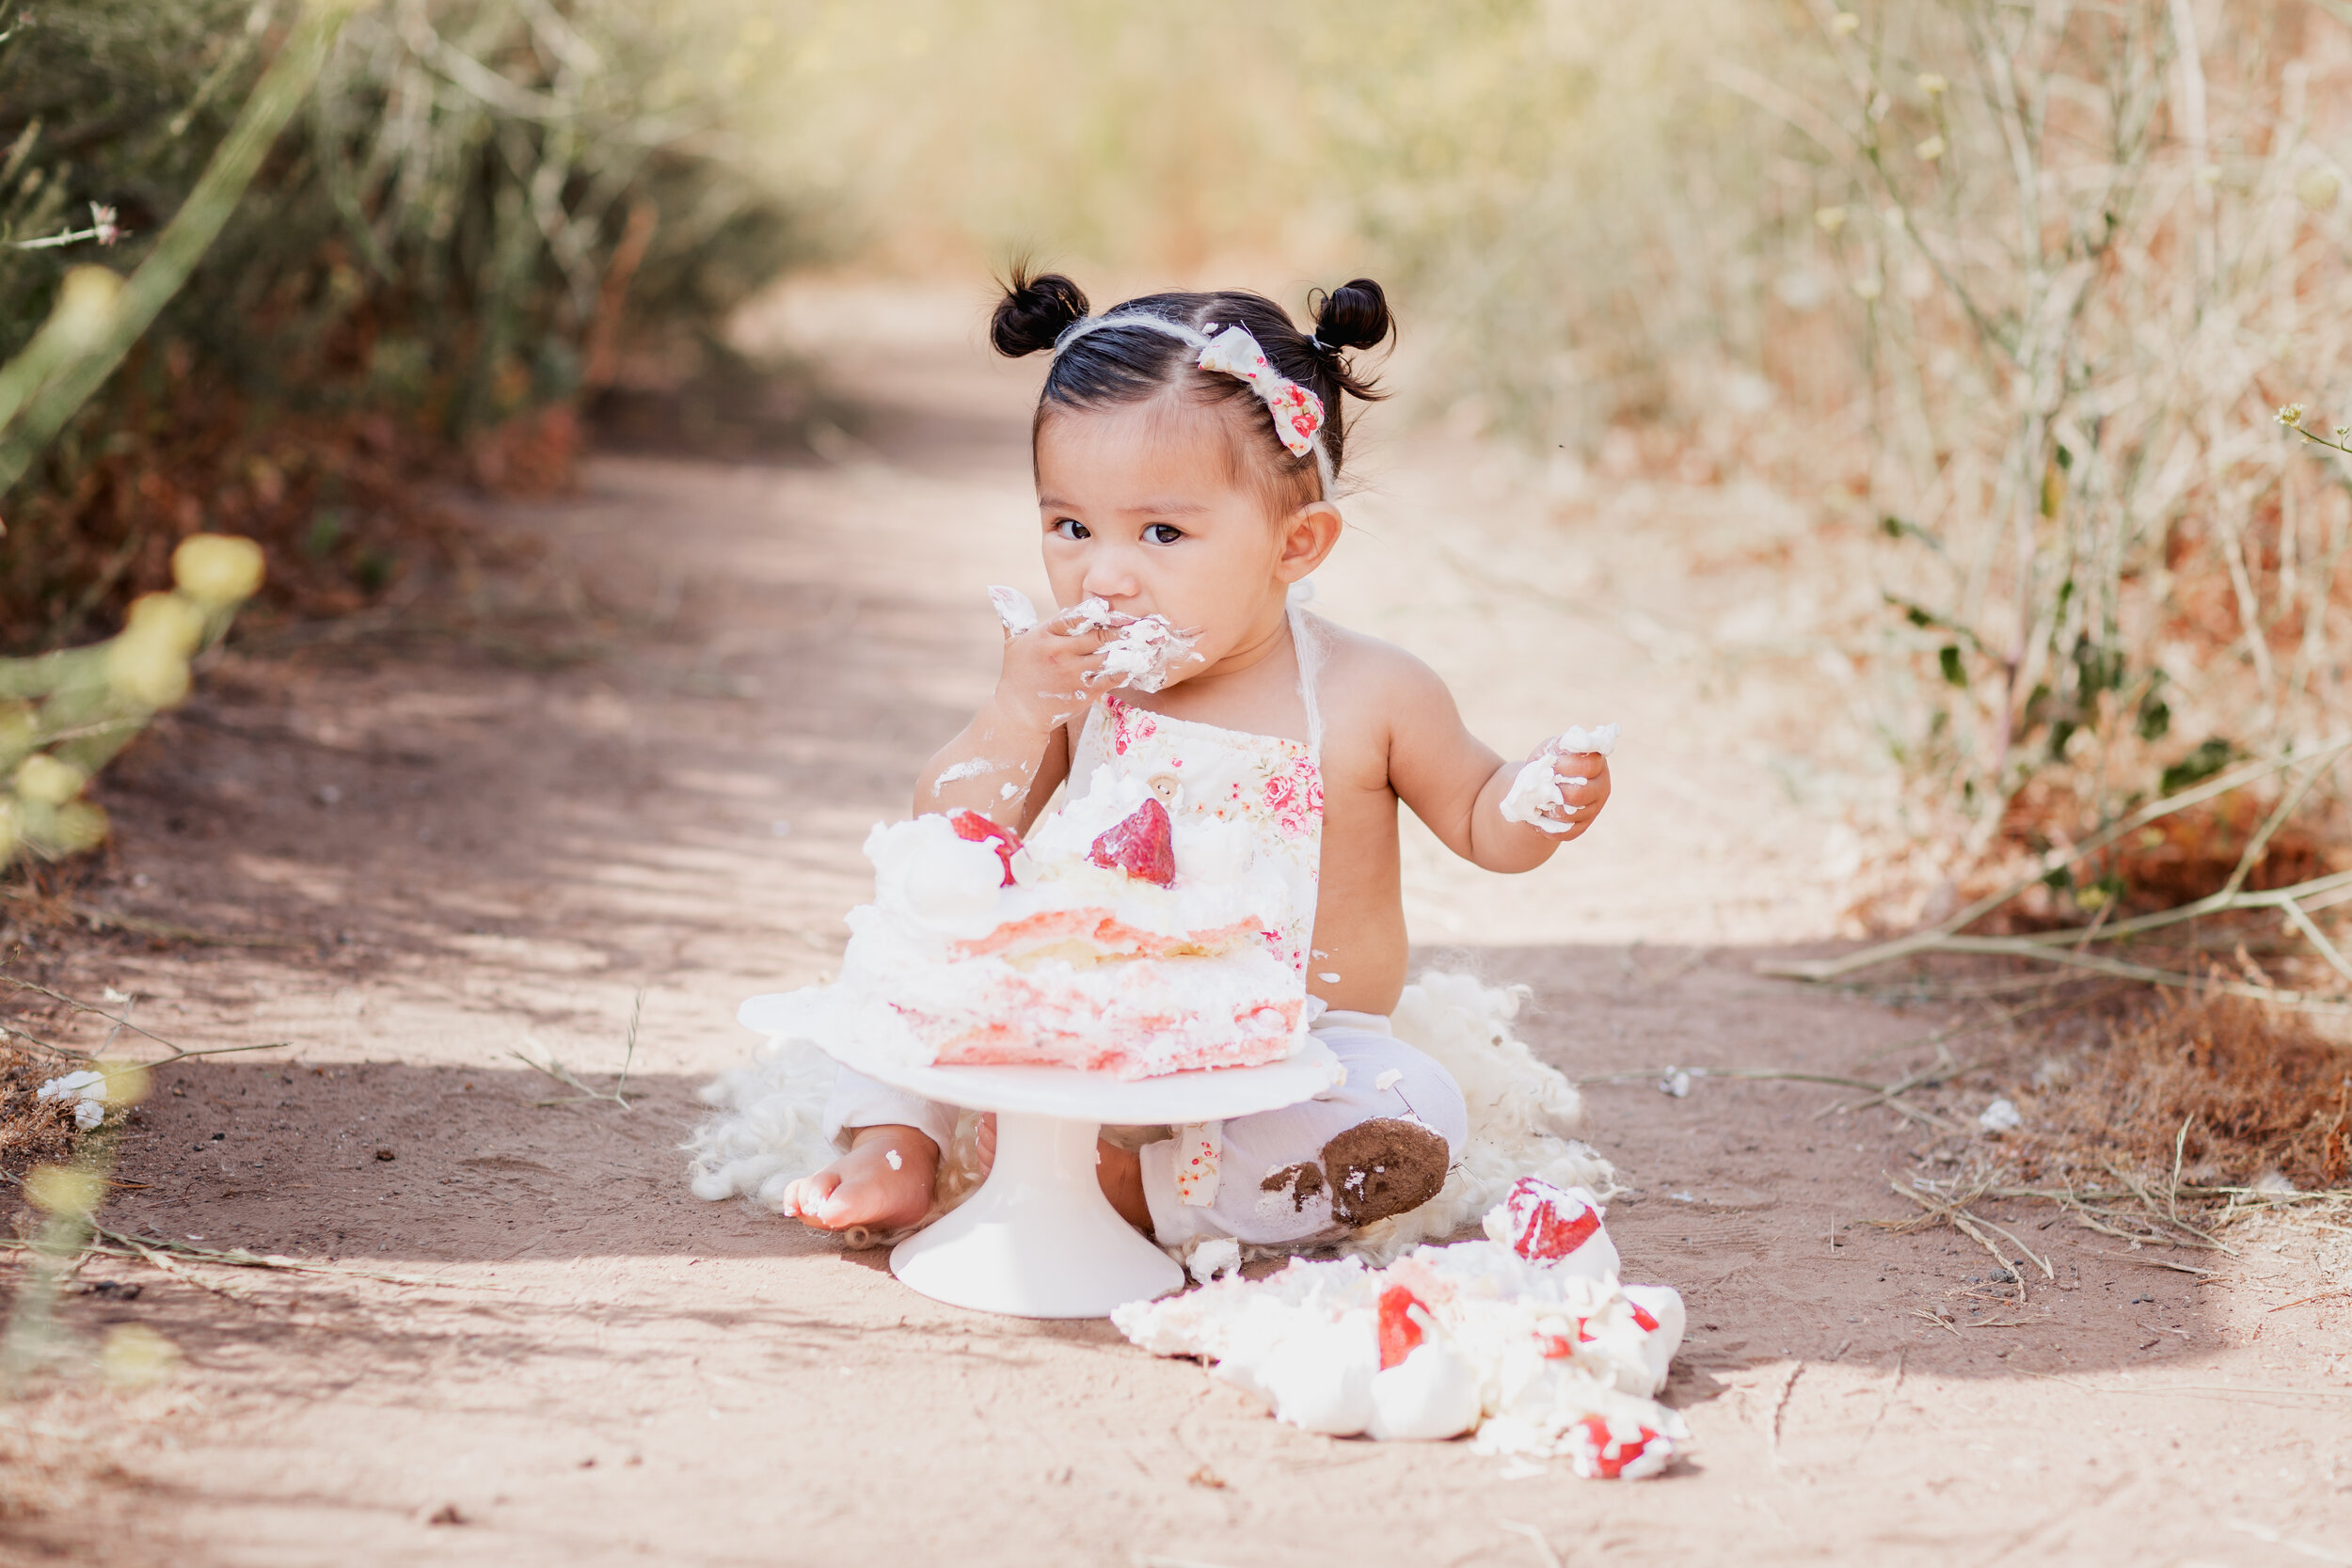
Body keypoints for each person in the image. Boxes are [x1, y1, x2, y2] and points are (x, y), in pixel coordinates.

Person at [781, 272, 1611, 1250]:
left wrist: (1536, 797)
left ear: (1296, 543)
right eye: (1070, 526)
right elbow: (952, 830)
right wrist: (1016, 713)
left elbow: (1481, 816)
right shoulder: (1074, 681)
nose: (1105, 572)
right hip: (1076, 1012)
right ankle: (900, 1142)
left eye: (1162, 532)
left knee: (1409, 1107)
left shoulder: (1370, 691)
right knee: (907, 924)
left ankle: (1138, 1186)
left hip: (1289, 1050)